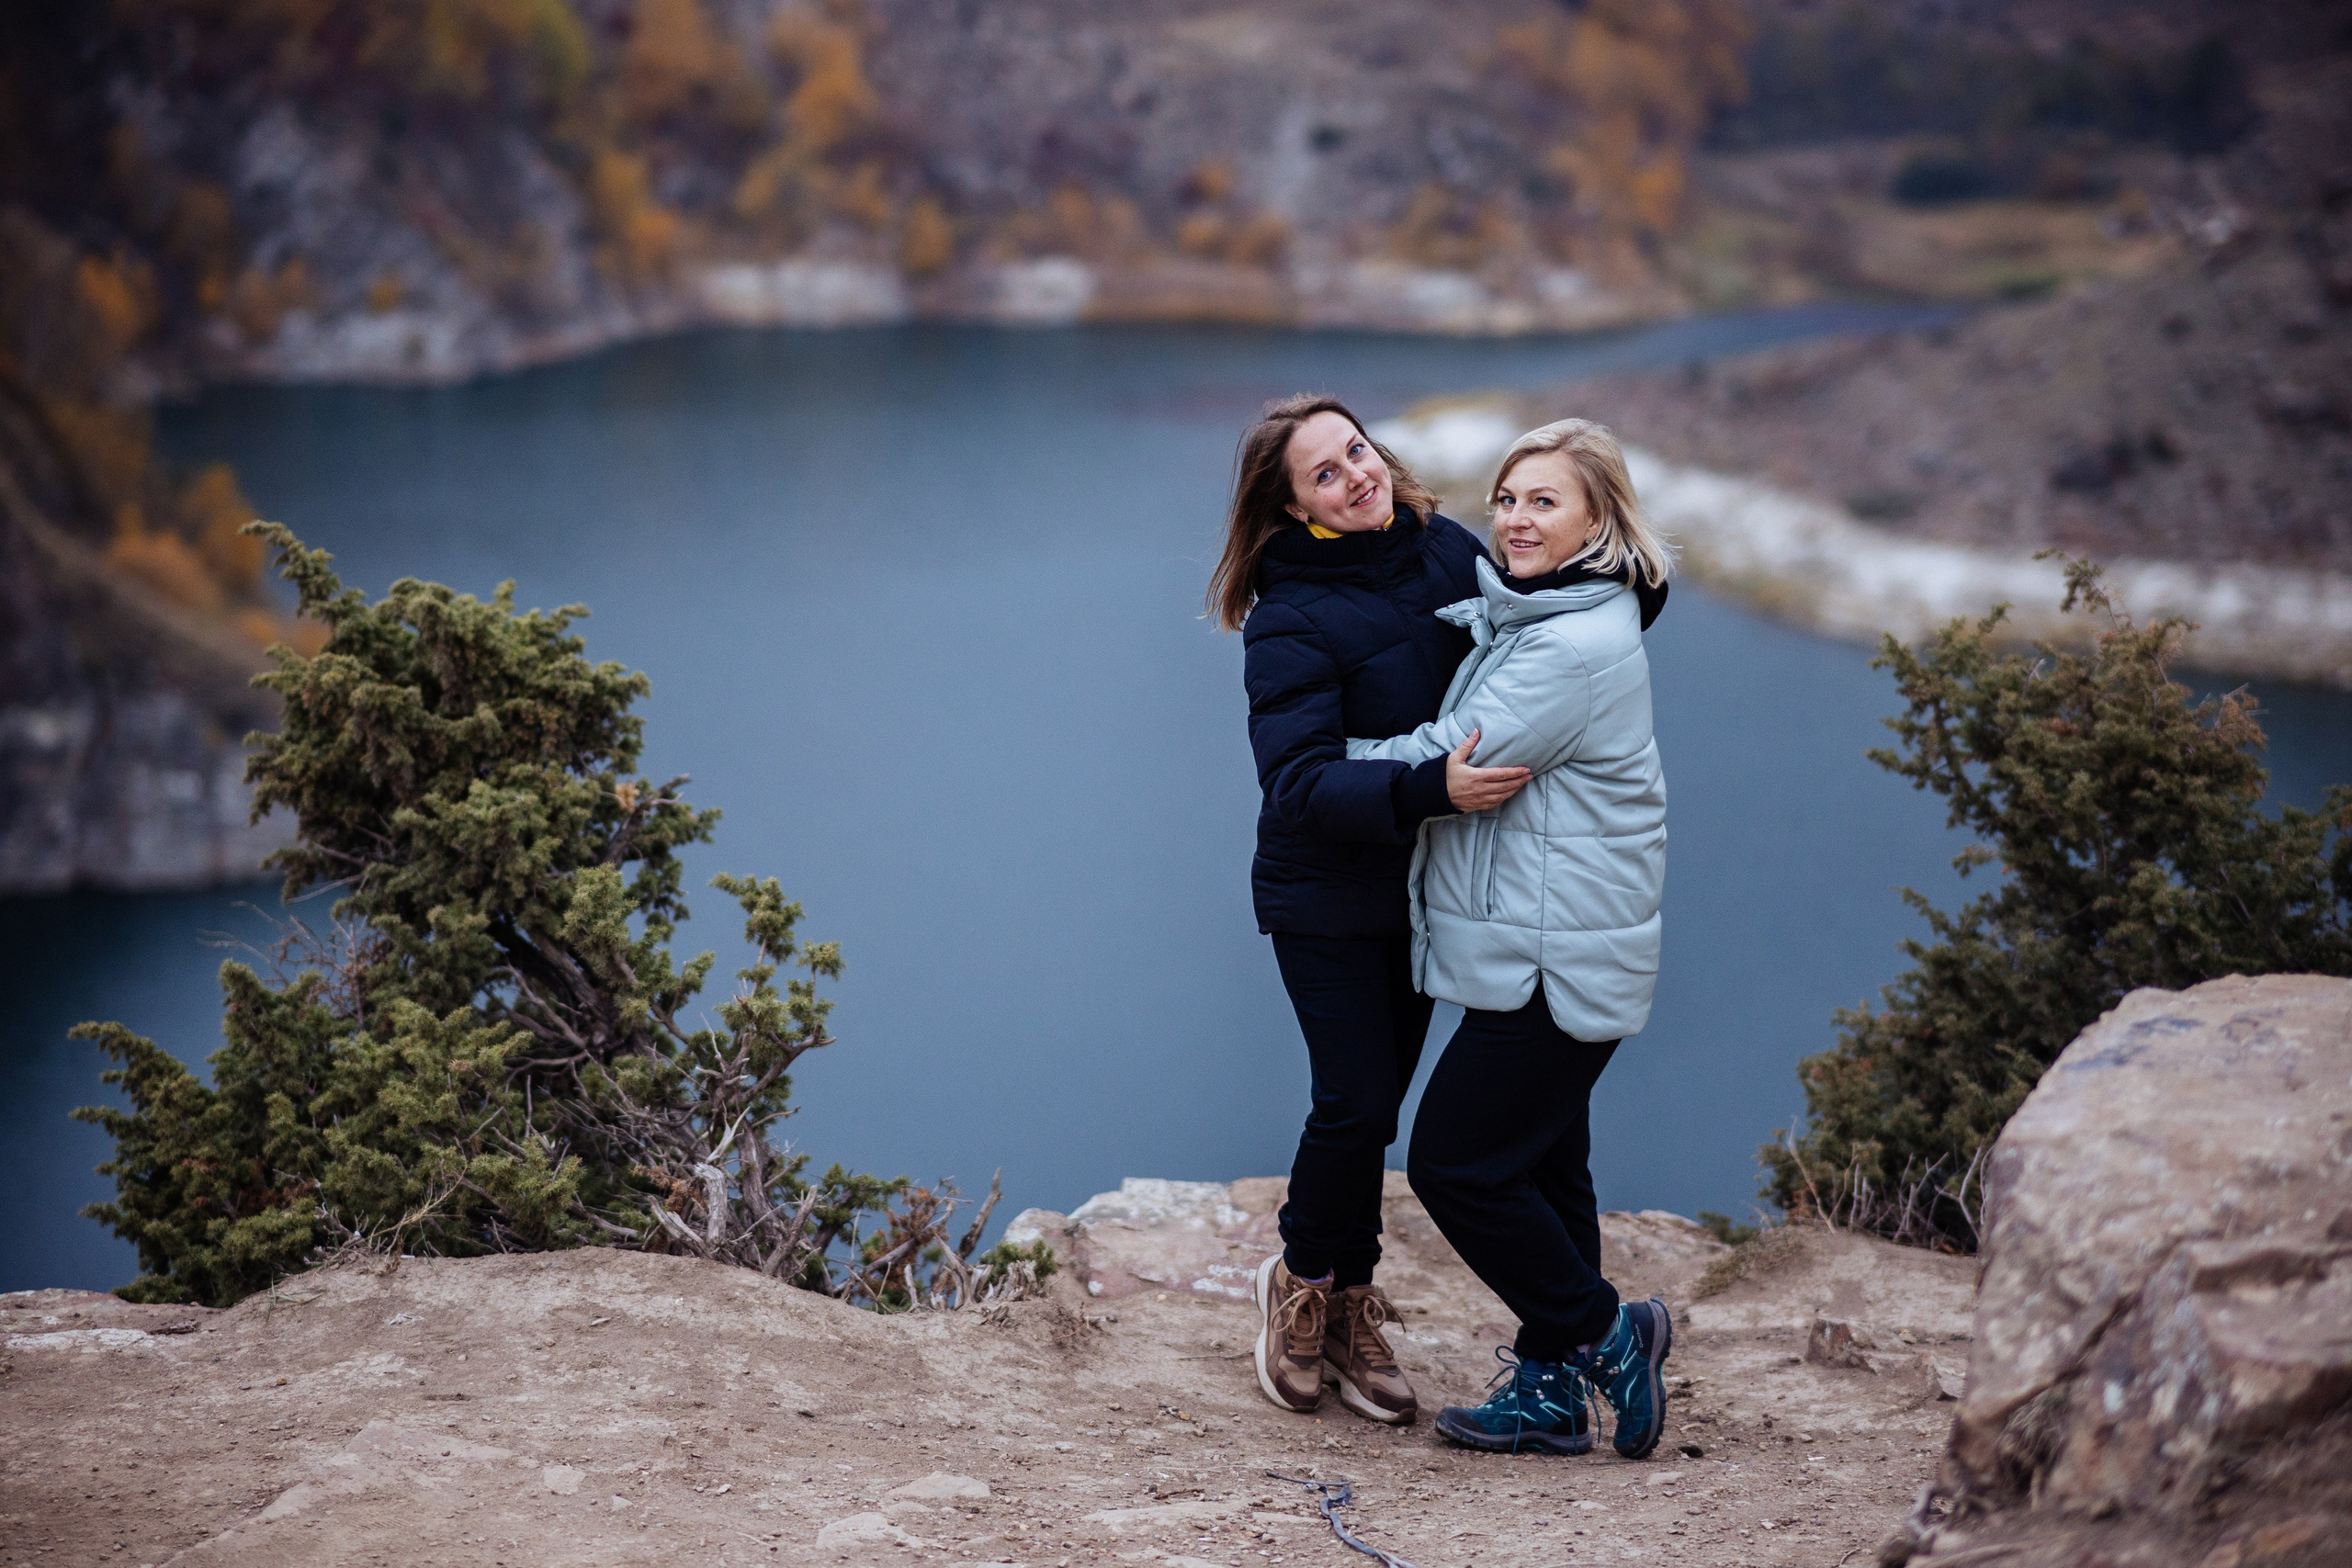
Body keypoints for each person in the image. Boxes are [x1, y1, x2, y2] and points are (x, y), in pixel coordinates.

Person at [1346, 417, 1675, 1459]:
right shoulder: (1547, 620)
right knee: (1543, 1167)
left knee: (1456, 1164)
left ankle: (1608, 1335)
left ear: (1597, 522)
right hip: (1551, 945)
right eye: (1507, 497)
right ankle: (1545, 1397)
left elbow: (1451, 756)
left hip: (1557, 956)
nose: (1516, 519)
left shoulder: (1569, 648)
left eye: (1545, 501)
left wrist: (1321, 764)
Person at [1209, 394, 1532, 1426]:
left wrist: (1630, 592)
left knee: (1380, 1106)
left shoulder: (1445, 550)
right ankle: (1302, 1283)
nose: (1356, 477)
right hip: (1324, 891)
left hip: (1421, 888)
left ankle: (1350, 1309)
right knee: (1353, 1099)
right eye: (1325, 474)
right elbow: (1294, 781)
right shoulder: (1287, 614)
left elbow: (1543, 612)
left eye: (1357, 452)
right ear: (1291, 508)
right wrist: (1426, 789)